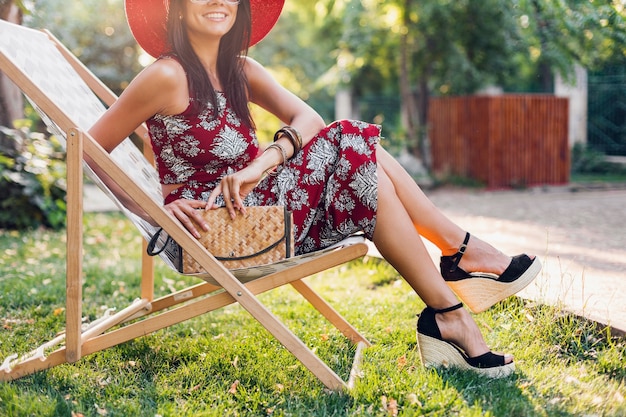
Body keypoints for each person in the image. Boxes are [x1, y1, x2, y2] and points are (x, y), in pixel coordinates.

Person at [88, 0, 541, 378]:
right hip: (213, 233)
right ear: (175, 6)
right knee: (349, 140)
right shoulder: (165, 76)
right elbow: (87, 151)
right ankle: (459, 254)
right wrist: (156, 210)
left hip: (259, 209)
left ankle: (450, 314)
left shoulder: (240, 70)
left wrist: (261, 163)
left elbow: (309, 120)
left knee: (369, 175)